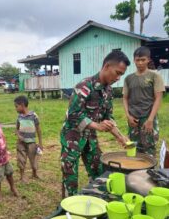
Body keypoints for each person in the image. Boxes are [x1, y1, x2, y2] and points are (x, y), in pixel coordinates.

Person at [60, 50, 130, 197]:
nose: (118, 78)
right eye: (117, 73)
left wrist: (121, 137)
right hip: (72, 136)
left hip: (89, 136)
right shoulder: (84, 86)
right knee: (70, 175)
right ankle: (67, 206)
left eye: (121, 75)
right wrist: (97, 126)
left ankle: (97, 199)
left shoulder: (108, 91)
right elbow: (73, 115)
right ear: (106, 66)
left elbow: (108, 117)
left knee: (98, 170)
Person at [123, 46, 165, 156]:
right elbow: (125, 98)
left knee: (149, 148)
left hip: (148, 117)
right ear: (134, 60)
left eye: (143, 60)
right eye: (138, 60)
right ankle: (134, 171)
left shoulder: (154, 76)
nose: (140, 63)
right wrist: (128, 116)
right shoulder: (128, 78)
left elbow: (158, 98)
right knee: (133, 147)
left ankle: (149, 172)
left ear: (148, 60)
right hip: (133, 119)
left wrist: (150, 120)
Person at [14, 95, 43, 182]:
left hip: (32, 142)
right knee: (21, 159)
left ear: (22, 105)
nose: (15, 109)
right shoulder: (19, 117)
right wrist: (19, 135)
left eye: (16, 106)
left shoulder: (33, 116)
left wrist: (40, 143)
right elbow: (17, 129)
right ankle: (22, 176)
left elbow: (38, 130)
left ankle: (34, 173)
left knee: (33, 158)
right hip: (21, 143)